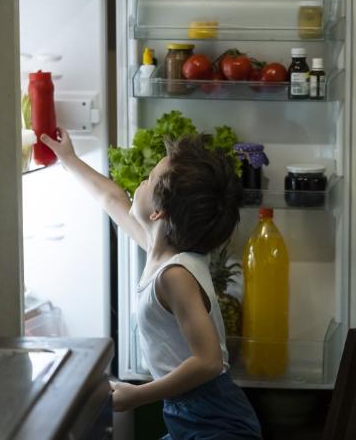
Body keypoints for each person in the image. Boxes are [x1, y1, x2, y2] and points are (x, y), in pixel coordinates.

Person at [40, 129, 262, 439]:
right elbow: (112, 198)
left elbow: (209, 361)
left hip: (216, 422)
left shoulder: (175, 276)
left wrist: (137, 395)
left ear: (158, 212)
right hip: (190, 415)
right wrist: (70, 159)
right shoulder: (163, 255)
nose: (140, 184)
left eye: (147, 178)